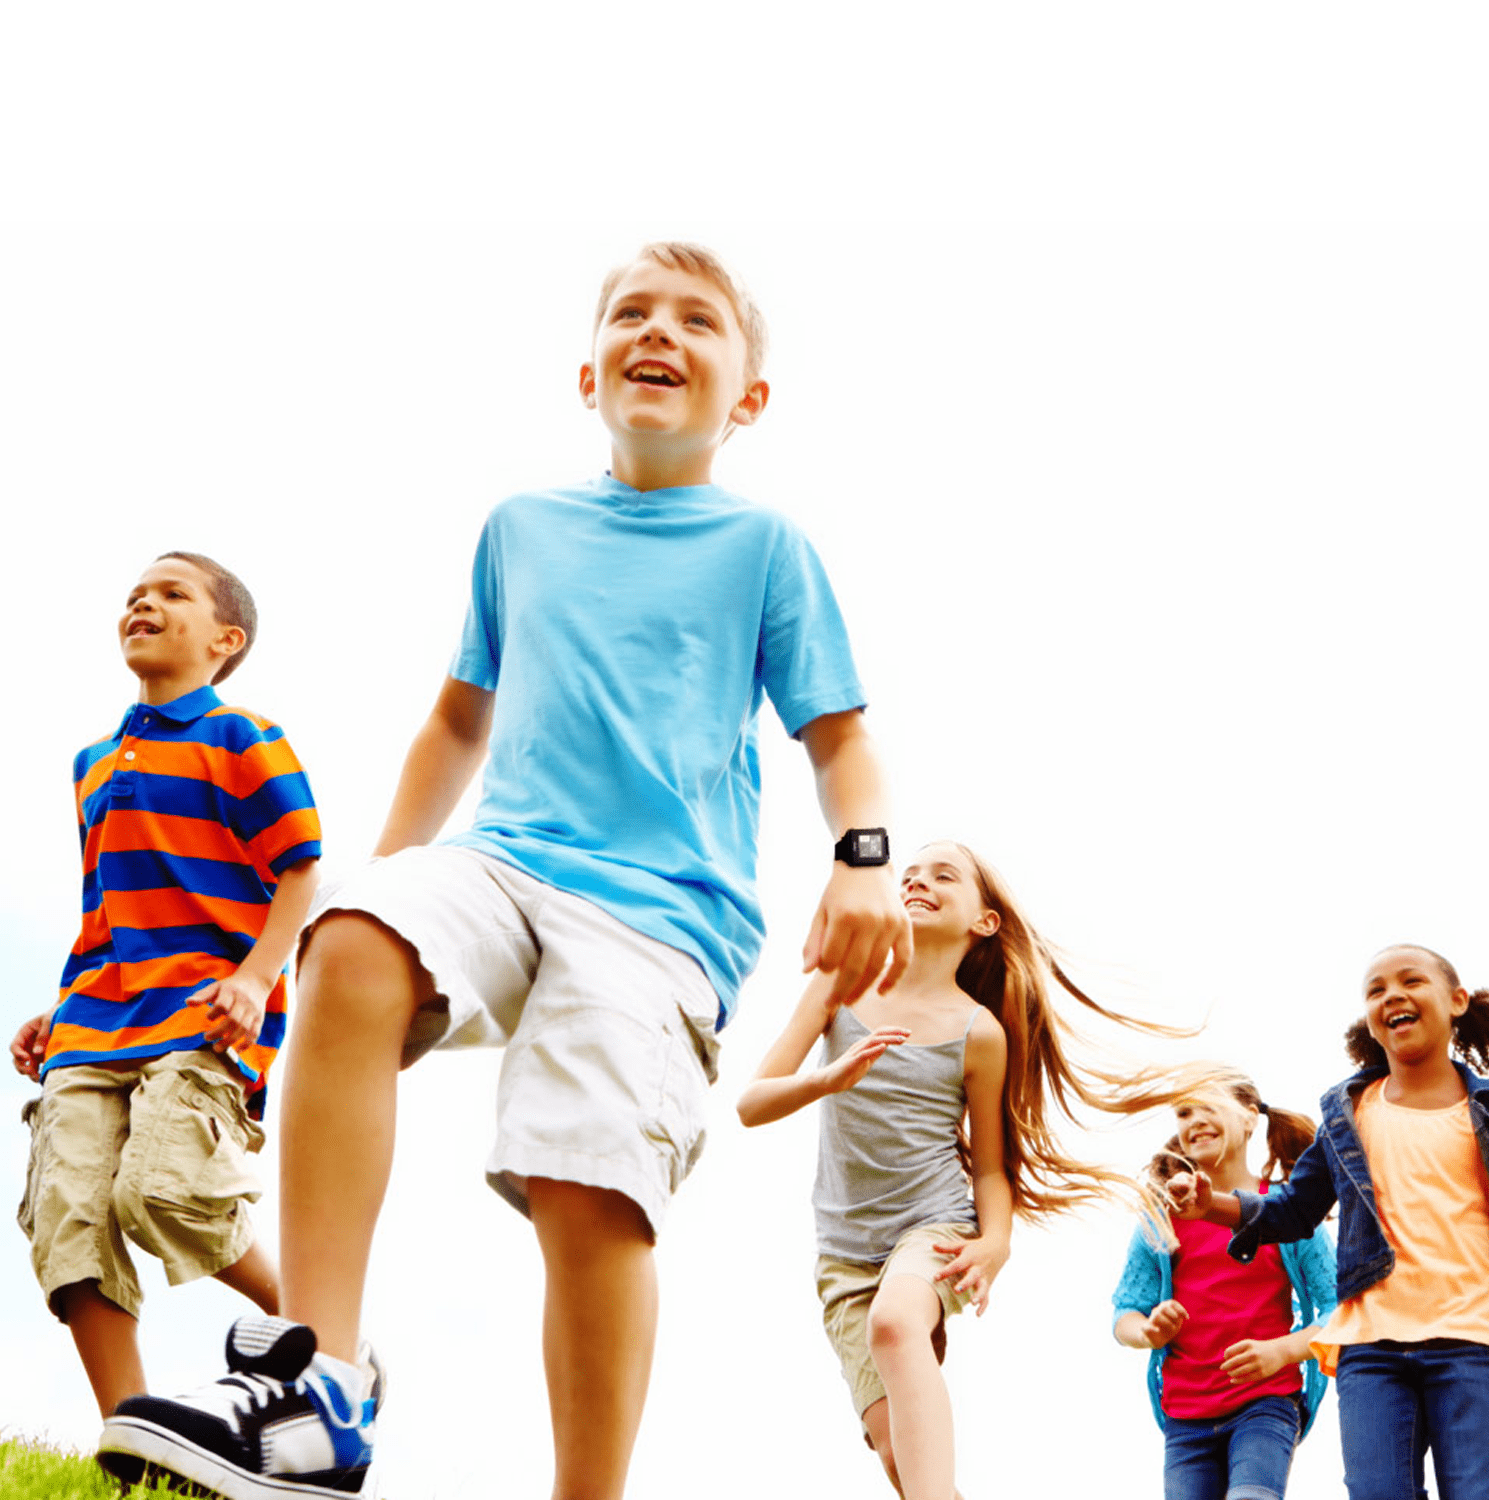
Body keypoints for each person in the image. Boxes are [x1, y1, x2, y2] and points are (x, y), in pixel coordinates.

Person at [98, 241, 912, 1500]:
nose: (659, 331)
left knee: (583, 1183)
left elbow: (840, 736)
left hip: (660, 914)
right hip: (505, 860)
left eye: (697, 321)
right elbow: (456, 721)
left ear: (748, 398)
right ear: (587, 373)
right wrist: (377, 888)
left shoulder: (764, 546)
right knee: (353, 937)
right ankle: (322, 1390)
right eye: (632, 313)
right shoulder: (521, 529)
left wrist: (863, 861)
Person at [738, 839, 1194, 1500]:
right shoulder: (840, 984)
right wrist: (827, 1079)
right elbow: (751, 1104)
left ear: (984, 921)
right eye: (910, 874)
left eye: (943, 876)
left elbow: (989, 1169)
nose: (917, 882)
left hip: (934, 1226)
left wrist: (995, 1241)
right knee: (899, 1456)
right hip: (844, 1253)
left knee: (895, 1323)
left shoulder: (979, 1032)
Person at [10, 551, 320, 1420]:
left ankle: (321, 1333)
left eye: (171, 593)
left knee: (164, 1190)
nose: (143, 603)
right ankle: (133, 1435)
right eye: (134, 595)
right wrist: (60, 1006)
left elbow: (301, 869)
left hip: (203, 1011)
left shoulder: (243, 738)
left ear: (227, 639)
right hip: (95, 1020)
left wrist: (255, 980)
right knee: (67, 1215)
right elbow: (110, 906)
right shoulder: (93, 764)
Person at [1168, 945, 1489, 1500]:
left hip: (1474, 1339)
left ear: (1457, 1001)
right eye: (1376, 990)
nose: (1392, 995)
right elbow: (1295, 1209)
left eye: (1411, 981)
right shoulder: (1351, 1113)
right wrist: (1212, 1206)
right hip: (1371, 1348)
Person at [1111, 1075, 1336, 1500]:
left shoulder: (1286, 1214)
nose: (1194, 1120)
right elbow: (1125, 1313)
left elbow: (1339, 1309)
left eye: (1209, 1105)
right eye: (1184, 1112)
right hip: (1186, 1419)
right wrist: (1148, 1331)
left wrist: (1282, 1351)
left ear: (1250, 1119)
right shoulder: (1161, 1222)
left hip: (1265, 1404)